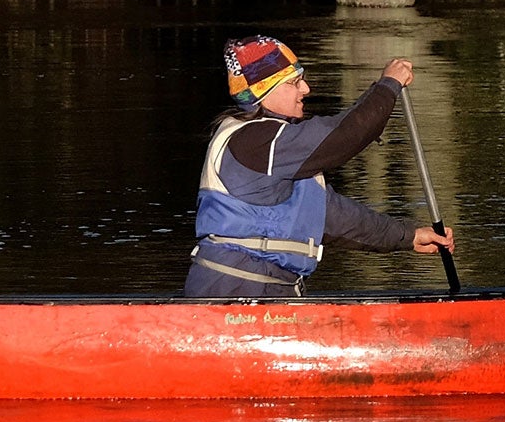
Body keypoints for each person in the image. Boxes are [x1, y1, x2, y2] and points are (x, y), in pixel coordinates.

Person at [183, 35, 456, 299]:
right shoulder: (256, 141)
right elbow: (345, 135)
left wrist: (409, 236)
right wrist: (388, 85)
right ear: (263, 90)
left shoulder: (283, 151)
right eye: (295, 82)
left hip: (272, 293)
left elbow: (336, 218)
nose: (306, 89)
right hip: (232, 294)